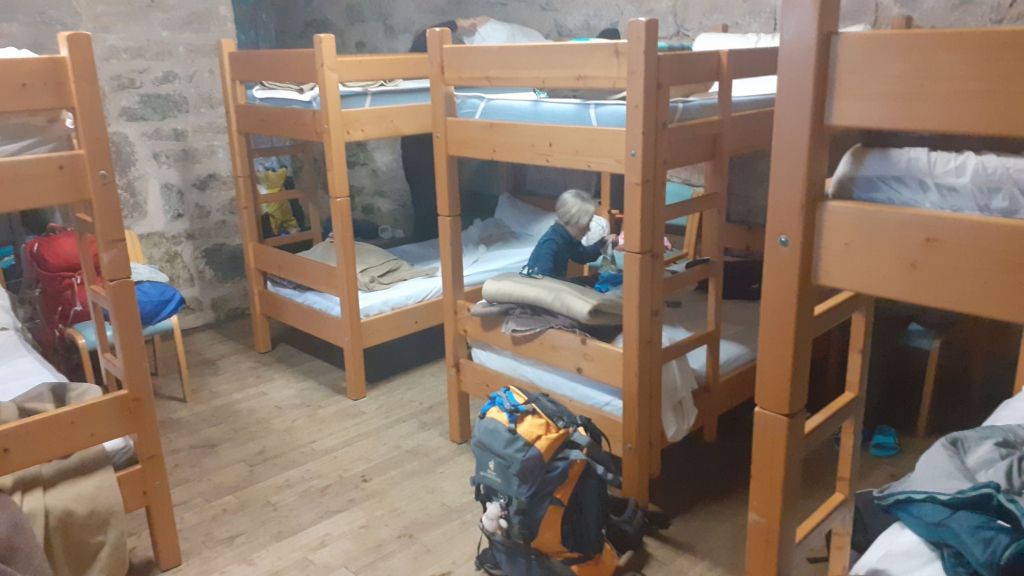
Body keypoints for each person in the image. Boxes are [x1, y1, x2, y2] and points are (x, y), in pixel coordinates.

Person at [402, 17, 491, 241]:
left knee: (435, 204)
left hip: (425, 142)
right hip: (421, 143)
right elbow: (424, 38)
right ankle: (430, 245)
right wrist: (458, 23)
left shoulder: (440, 73)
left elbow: (536, 90)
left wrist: (547, 93)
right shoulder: (421, 61)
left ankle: (431, 247)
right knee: (428, 203)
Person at [522, 189, 613, 279]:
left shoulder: (567, 238)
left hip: (555, 284)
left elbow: (582, 256)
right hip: (543, 286)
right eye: (587, 224)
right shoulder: (551, 243)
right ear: (576, 221)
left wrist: (604, 242)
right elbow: (542, 281)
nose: (589, 229)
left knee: (593, 280)